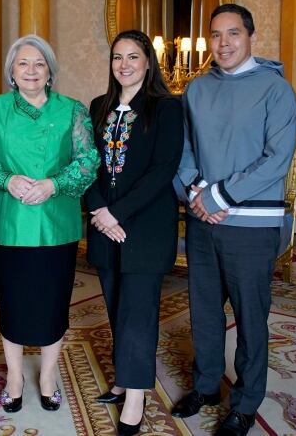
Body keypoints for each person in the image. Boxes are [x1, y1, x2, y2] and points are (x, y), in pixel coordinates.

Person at [172, 4, 296, 436]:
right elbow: (182, 150)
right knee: (204, 311)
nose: (223, 43)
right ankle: (207, 386)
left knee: (250, 316)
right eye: (215, 35)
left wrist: (220, 194)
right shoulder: (196, 89)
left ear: (250, 37)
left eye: (232, 34)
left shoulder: (275, 89)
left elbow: (277, 159)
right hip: (203, 219)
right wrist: (195, 193)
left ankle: (245, 403)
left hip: (251, 224)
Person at [0, 34, 99, 414]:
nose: (31, 70)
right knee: (12, 301)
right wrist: (7, 179)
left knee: (54, 301)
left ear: (50, 72)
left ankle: (47, 376)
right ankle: (14, 376)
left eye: (39, 64)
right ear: (11, 70)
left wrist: (53, 184)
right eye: (23, 63)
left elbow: (88, 161)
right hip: (11, 222)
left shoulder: (72, 110)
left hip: (57, 222)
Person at [84, 30, 183, 436]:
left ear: (148, 62)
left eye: (133, 57)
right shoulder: (98, 107)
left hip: (145, 226)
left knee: (138, 312)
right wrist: (96, 208)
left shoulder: (166, 108)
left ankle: (136, 395)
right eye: (117, 58)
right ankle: (124, 377)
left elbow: (163, 170)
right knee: (115, 305)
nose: (124, 65)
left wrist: (115, 212)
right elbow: (84, 163)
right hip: (104, 225)